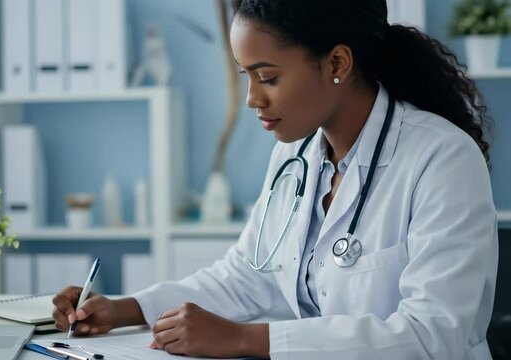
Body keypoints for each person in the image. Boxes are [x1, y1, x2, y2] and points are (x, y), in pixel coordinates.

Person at [52, 0, 498, 358]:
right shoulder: (295, 154)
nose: (251, 99)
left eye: (267, 76)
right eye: (246, 75)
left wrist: (247, 340)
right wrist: (124, 308)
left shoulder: (441, 159)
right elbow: (247, 275)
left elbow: (432, 335)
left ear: (337, 62)